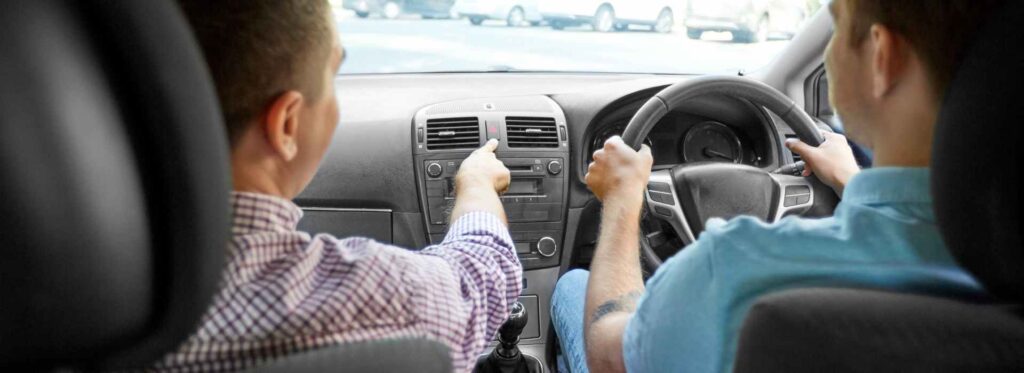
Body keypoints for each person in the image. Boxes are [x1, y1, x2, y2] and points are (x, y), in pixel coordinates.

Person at [550, 0, 1005, 372]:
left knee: (575, 286)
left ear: (882, 58)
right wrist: (850, 179)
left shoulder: (736, 268)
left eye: (836, 24)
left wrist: (623, 199)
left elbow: (611, 357)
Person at [156, 1, 522, 371]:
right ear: (286, 125)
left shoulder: (104, 283)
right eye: (332, 77)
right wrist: (477, 185)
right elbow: (482, 281)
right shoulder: (366, 298)